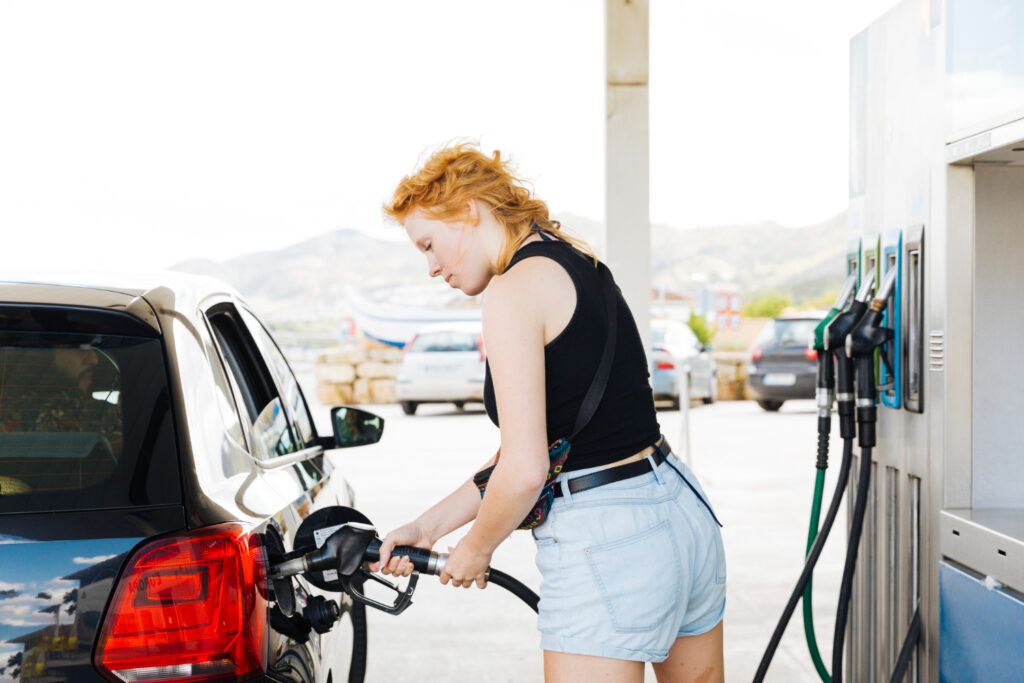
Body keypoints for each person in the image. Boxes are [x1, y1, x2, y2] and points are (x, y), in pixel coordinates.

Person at [374, 143, 726, 683]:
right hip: (679, 508)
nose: (431, 267)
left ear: (469, 210)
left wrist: (475, 549)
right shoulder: (581, 264)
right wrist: (428, 527)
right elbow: (536, 450)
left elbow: (524, 471)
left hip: (609, 534)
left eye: (429, 244)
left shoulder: (511, 290)